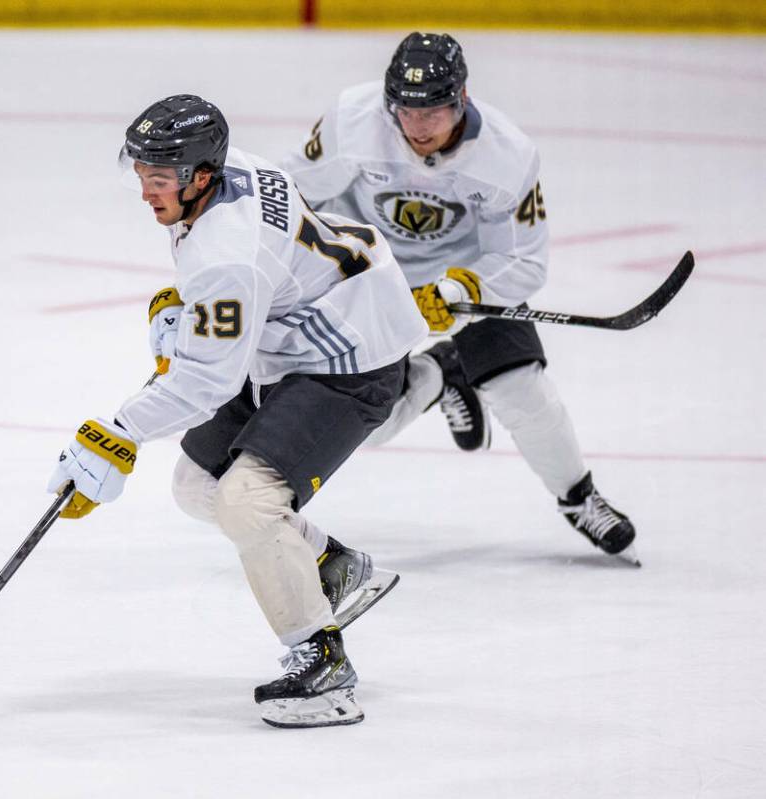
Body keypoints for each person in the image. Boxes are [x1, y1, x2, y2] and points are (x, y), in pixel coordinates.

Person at [46, 94, 427, 728]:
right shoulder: (230, 173)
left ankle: (323, 664)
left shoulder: (225, 255)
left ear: (199, 175)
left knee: (246, 501)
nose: (145, 190)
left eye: (158, 177)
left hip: (351, 355)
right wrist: (189, 305)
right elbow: (256, 273)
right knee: (199, 485)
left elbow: (205, 381)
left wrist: (116, 435)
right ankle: (335, 567)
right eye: (139, 171)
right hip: (301, 328)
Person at [280, 32, 638, 564]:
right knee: (370, 424)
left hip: (470, 279)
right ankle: (442, 372)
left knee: (523, 391)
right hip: (374, 277)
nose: (418, 127)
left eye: (434, 112)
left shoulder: (506, 155)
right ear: (388, 103)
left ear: (462, 99)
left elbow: (524, 260)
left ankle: (579, 497)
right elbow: (293, 196)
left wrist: (460, 289)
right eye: (405, 111)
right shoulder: (353, 120)